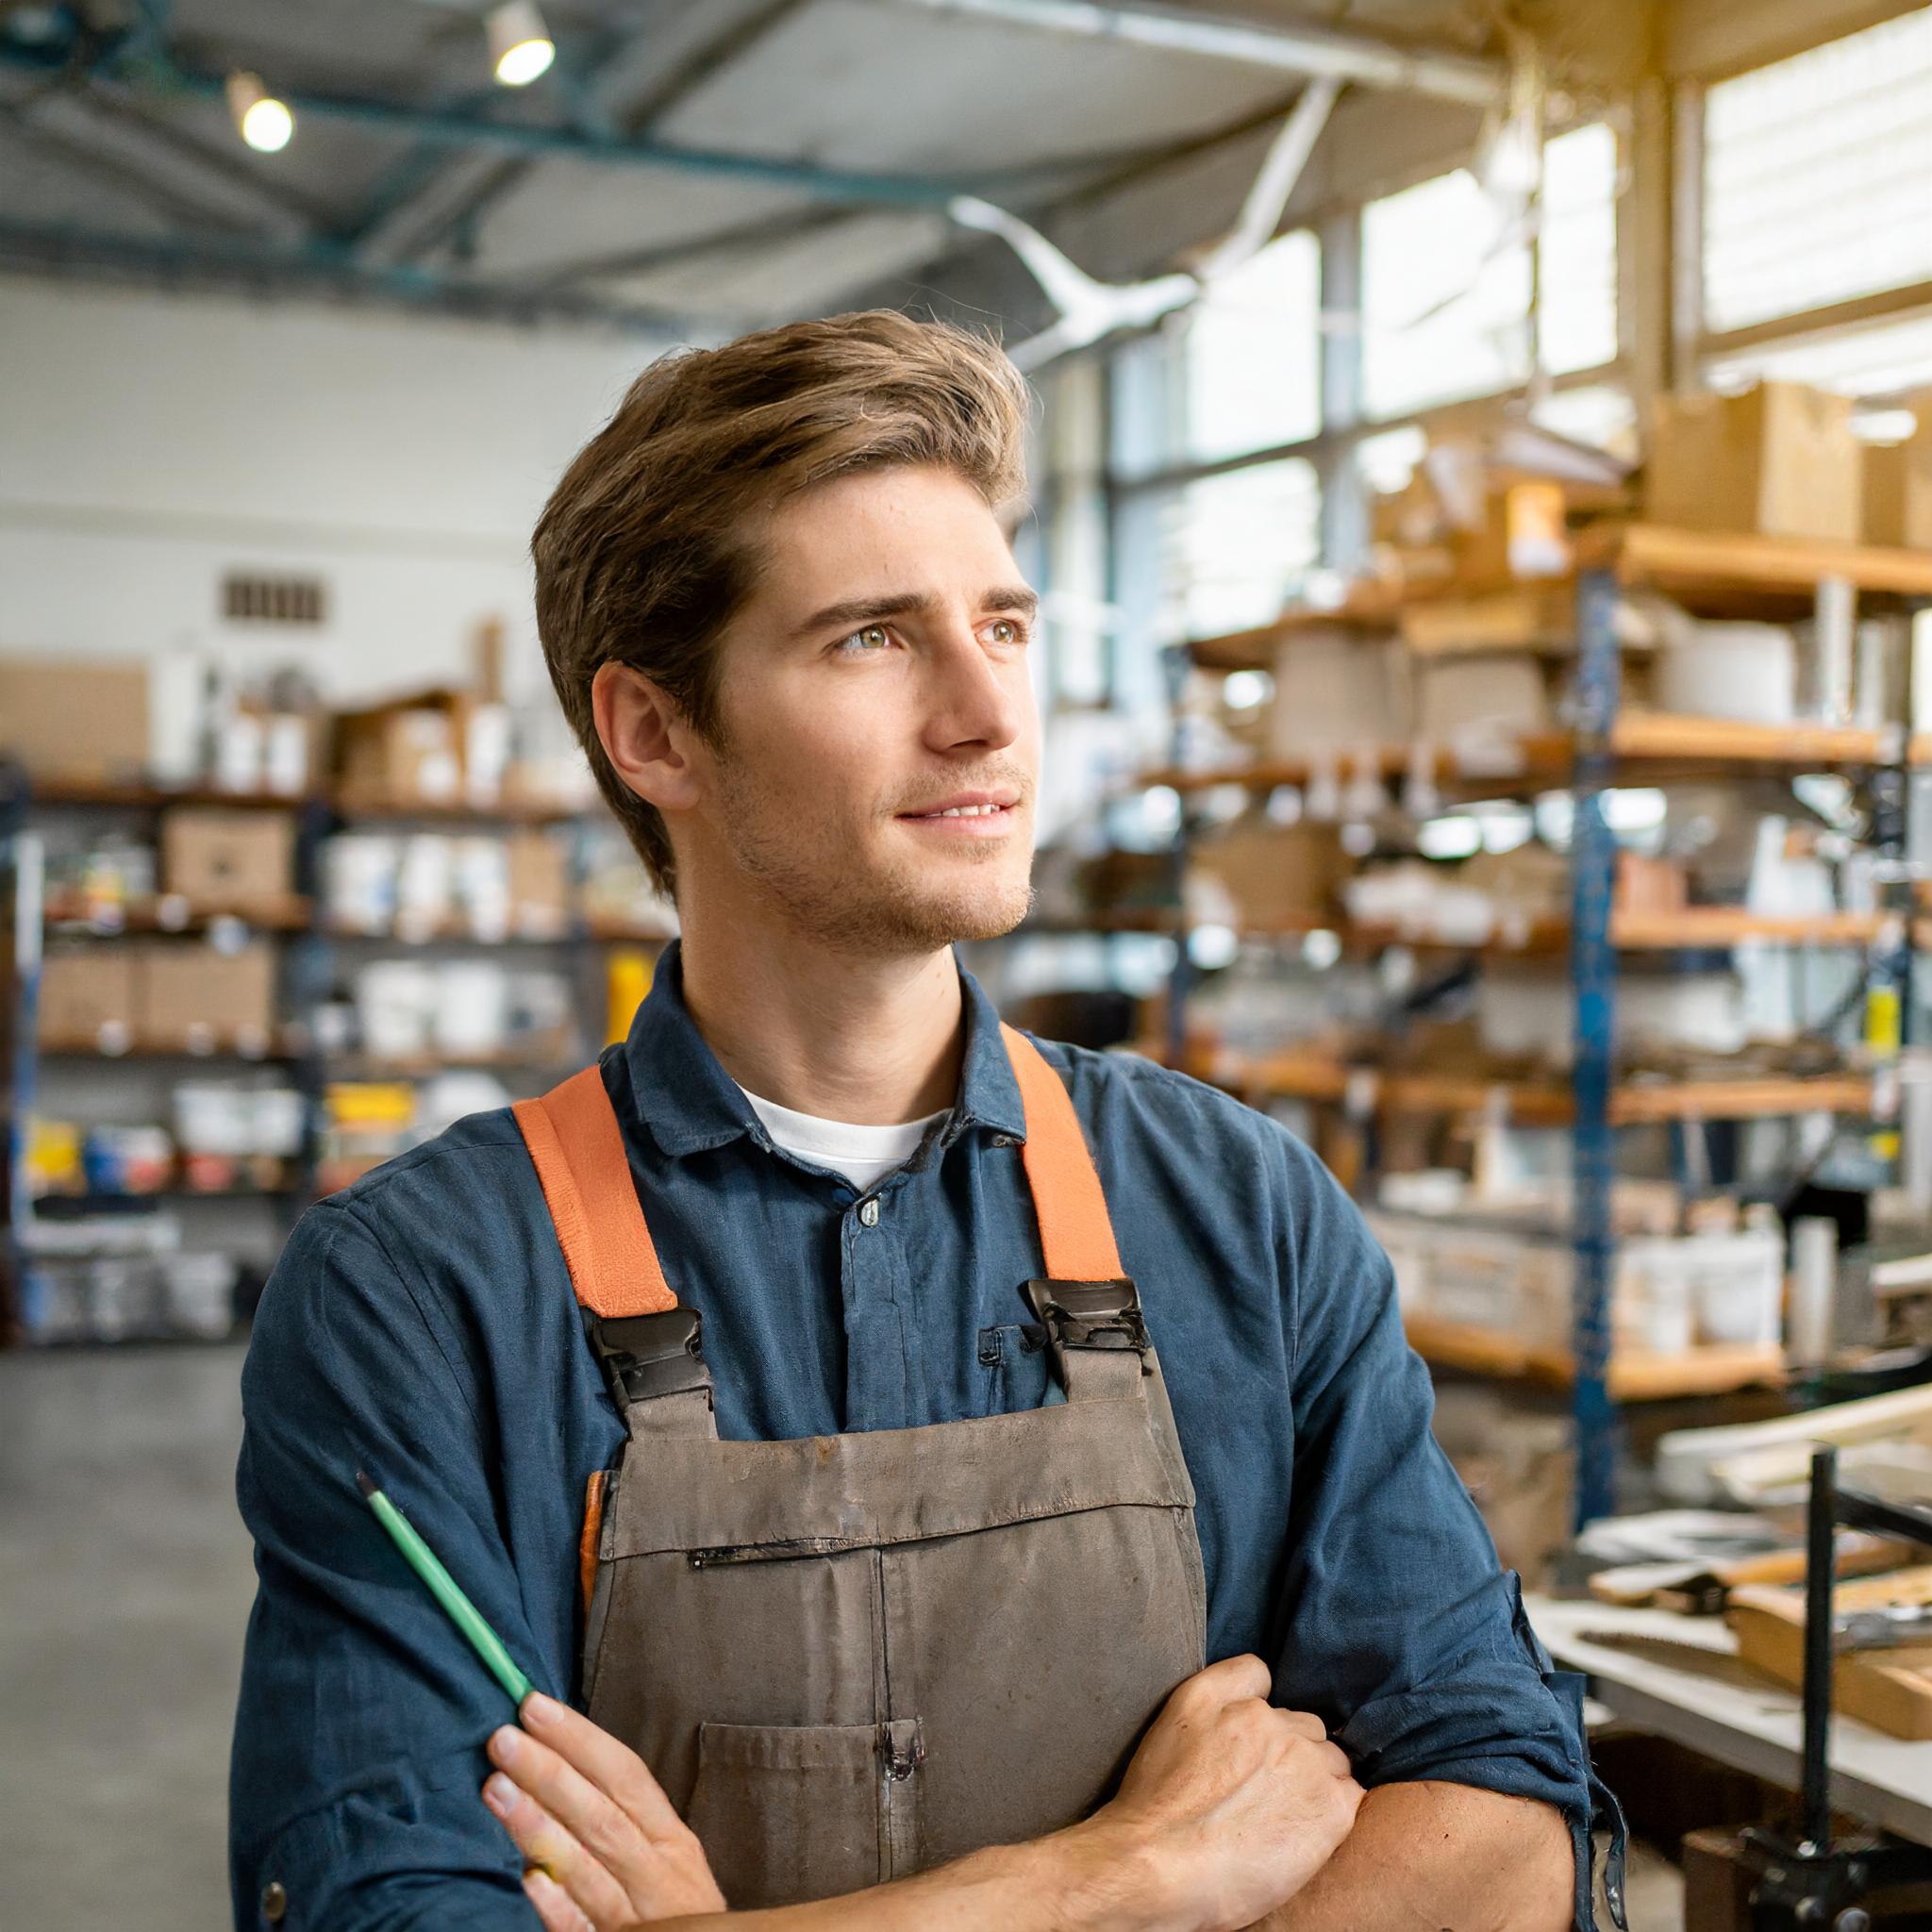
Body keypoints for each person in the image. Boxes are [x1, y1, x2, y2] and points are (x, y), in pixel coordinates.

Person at [228, 310, 1622, 1932]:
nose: (987, 714)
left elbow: (1509, 1816)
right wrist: (1117, 1878)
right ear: (652, 731)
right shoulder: (419, 1299)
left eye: (1005, 626)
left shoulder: (1238, 1211)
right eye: (871, 639)